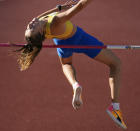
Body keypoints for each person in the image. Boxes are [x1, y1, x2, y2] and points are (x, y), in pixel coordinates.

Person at [16, 0, 127, 129]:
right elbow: (79, 7)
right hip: (79, 39)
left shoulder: (40, 23)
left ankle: (75, 85)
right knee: (116, 64)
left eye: (28, 27)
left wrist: (59, 7)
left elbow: (42, 16)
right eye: (32, 28)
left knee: (66, 64)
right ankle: (115, 107)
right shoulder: (55, 22)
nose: (30, 24)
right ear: (41, 32)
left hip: (62, 43)